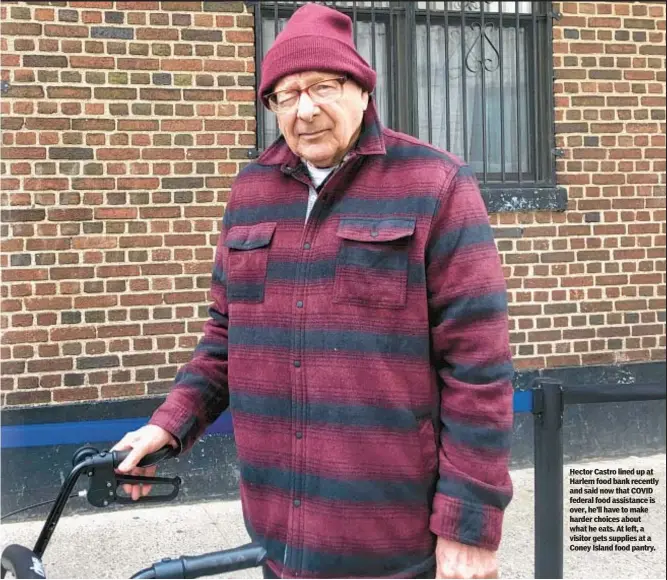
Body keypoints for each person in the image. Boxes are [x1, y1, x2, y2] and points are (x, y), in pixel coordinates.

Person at [112, 3, 514, 578]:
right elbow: (225, 340)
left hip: (393, 544)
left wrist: (469, 524)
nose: (305, 110)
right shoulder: (250, 193)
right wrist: (168, 425)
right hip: (276, 541)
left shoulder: (434, 184)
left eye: (322, 86)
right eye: (285, 94)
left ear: (362, 89)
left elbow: (478, 369)